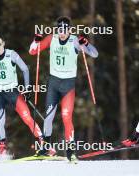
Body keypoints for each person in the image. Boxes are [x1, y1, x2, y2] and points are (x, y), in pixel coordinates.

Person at [28, 16, 98, 161]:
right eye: (60, 29)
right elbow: (33, 52)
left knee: (66, 117)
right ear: (57, 28)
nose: (62, 33)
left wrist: (85, 43)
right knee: (48, 118)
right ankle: (46, 147)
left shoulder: (74, 40)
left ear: (69, 29)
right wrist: (35, 41)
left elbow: (94, 53)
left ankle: (70, 150)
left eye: (65, 30)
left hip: (68, 85)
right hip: (54, 83)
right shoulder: (51, 38)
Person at [0, 34, 43, 158]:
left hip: (12, 92)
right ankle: (2, 150)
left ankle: (44, 143)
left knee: (27, 117)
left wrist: (27, 88)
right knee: (0, 121)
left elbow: (25, 69)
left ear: (3, 43)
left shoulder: (11, 54)